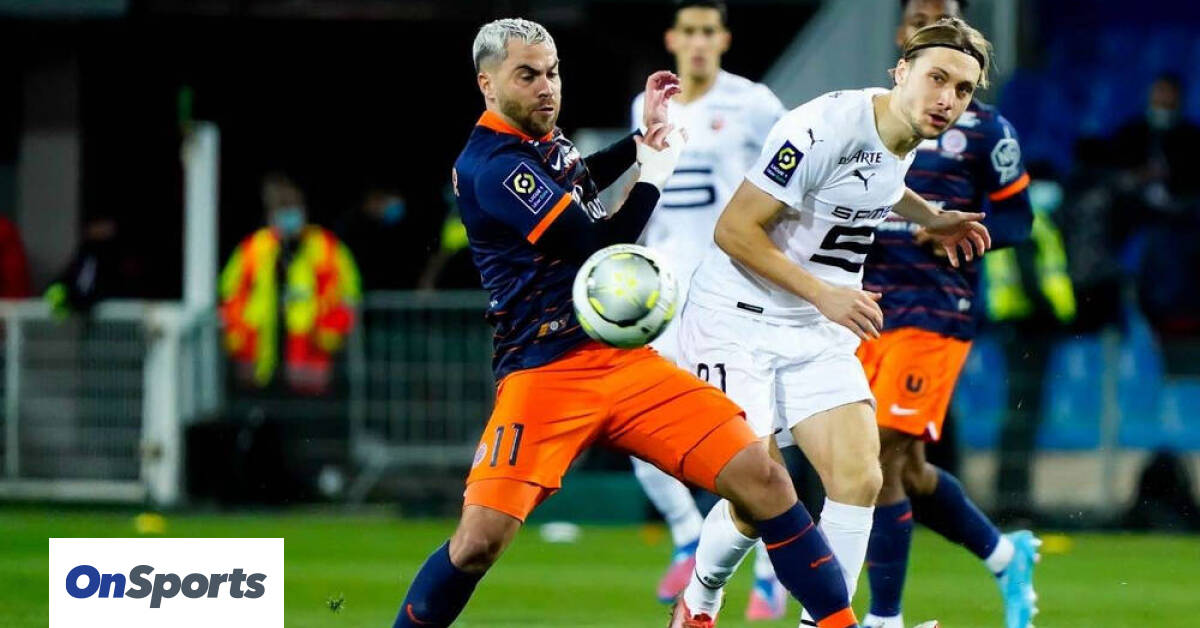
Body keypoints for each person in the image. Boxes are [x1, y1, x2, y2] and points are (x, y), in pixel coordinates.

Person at [393, 18, 865, 628]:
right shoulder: (494, 165)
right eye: (527, 75)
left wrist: (642, 140)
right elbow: (601, 249)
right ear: (487, 84)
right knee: (478, 542)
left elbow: (576, 177)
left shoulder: (540, 141)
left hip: (623, 360)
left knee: (766, 481)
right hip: (545, 373)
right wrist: (655, 174)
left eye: (552, 72)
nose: (546, 87)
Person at [674, 17, 993, 627]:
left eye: (963, 89)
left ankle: (821, 622)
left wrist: (930, 217)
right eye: (937, 79)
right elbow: (733, 229)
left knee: (859, 477)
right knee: (757, 494)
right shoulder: (822, 126)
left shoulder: (904, 134)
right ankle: (699, 599)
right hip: (736, 320)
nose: (947, 99)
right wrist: (824, 293)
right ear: (901, 71)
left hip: (814, 328)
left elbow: (878, 183)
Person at [852, 3, 1043, 627]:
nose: (932, 24)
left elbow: (1018, 220)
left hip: (937, 309)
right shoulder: (866, 119)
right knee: (906, 468)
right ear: (903, 40)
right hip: (863, 305)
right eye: (921, 18)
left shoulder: (987, 131)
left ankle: (883, 619)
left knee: (876, 457)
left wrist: (957, 234)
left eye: (944, 16)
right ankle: (1005, 556)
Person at [625, 0, 789, 618]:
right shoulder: (647, 108)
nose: (698, 42)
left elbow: (792, 182)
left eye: (708, 32)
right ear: (672, 38)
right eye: (688, 32)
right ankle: (686, 532)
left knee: (751, 437)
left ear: (723, 39)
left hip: (730, 289)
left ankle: (770, 574)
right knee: (632, 415)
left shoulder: (754, 104)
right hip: (661, 290)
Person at [219, 172, 361, 395]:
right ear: (270, 214)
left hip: (312, 357)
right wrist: (237, 340)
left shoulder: (326, 246)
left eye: (293, 208)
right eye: (281, 209)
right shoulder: (252, 249)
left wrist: (331, 332)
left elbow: (350, 295)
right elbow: (229, 296)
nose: (289, 216)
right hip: (260, 360)